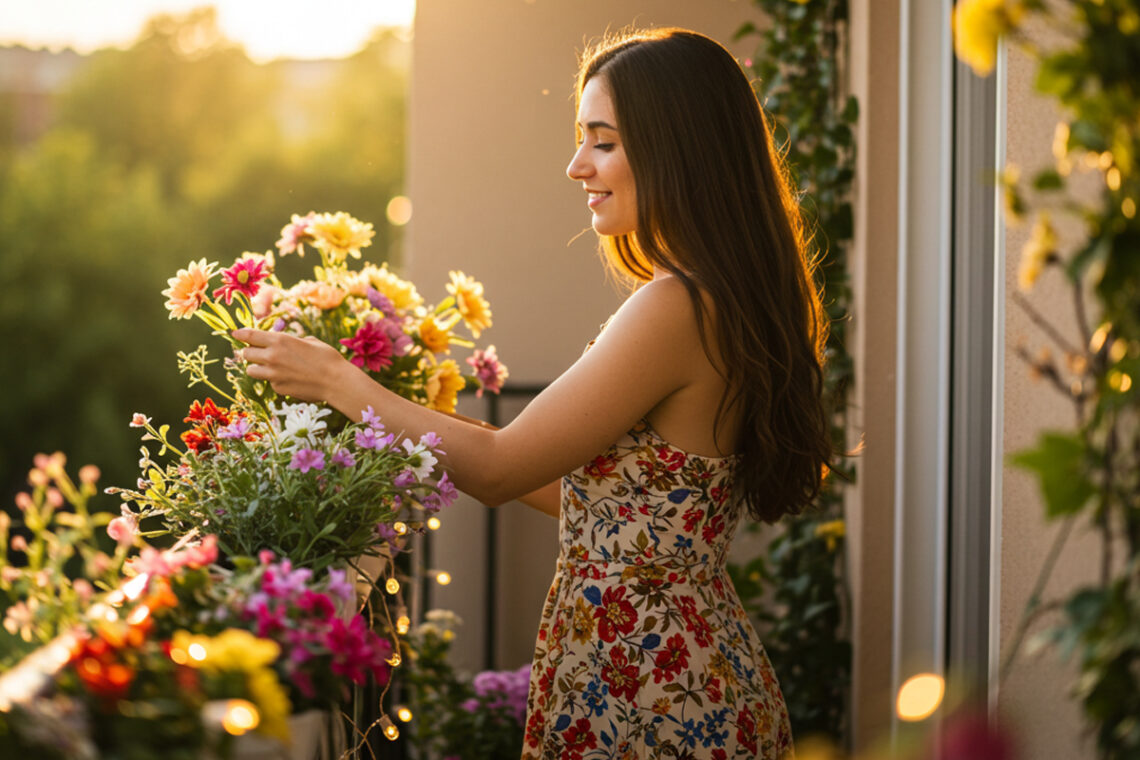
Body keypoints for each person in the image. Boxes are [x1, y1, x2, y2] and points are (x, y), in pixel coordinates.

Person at [235, 26, 828, 760]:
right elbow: (615, 500)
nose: (577, 165)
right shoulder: (723, 298)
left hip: (651, 688)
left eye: (603, 141)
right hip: (683, 670)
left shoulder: (675, 305)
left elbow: (500, 467)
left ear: (678, 149)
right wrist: (418, 427)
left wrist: (339, 382)